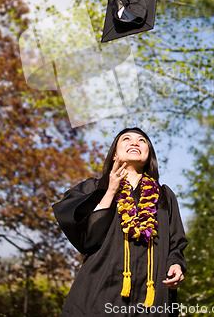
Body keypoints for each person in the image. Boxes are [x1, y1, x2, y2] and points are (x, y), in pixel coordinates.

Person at [53, 127, 188, 317]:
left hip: (152, 294)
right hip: (102, 289)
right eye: (127, 139)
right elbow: (86, 240)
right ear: (115, 153)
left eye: (142, 141)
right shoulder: (94, 188)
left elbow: (176, 241)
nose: (135, 143)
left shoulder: (164, 195)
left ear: (149, 154)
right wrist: (110, 191)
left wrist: (176, 264)